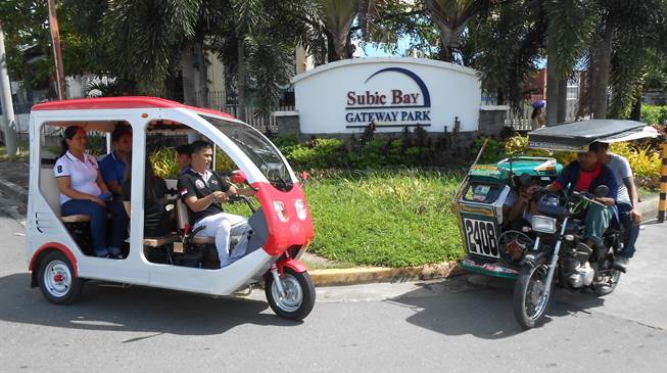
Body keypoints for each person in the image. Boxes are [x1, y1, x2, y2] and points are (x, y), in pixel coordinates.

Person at [177, 141, 255, 268]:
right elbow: (195, 206)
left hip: (219, 218)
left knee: (252, 225)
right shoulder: (185, 178)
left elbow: (234, 192)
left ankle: (236, 260)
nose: (209, 159)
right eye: (206, 155)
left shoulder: (214, 175)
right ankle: (225, 264)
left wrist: (256, 190)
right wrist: (212, 196)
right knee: (222, 224)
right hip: (200, 224)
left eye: (211, 156)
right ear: (195, 156)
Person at [547, 146, 618, 273]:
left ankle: (586, 247)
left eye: (588, 155)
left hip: (597, 206)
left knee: (599, 208)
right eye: (580, 155)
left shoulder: (606, 173)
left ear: (597, 156)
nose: (583, 158)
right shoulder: (573, 166)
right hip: (575, 204)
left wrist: (599, 199)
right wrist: (542, 189)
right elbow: (558, 185)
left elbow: (612, 200)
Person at [53, 126, 120, 258]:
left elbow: (100, 181)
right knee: (96, 209)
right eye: (79, 138)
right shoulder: (63, 163)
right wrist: (92, 198)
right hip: (71, 203)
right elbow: (65, 189)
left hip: (96, 199)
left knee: (120, 208)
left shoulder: (91, 158)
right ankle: (100, 250)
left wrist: (107, 194)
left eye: (84, 137)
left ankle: (115, 246)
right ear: (68, 141)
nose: (83, 141)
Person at [591, 142, 640, 270]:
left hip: (618, 200)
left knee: (631, 218)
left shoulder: (619, 162)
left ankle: (625, 254)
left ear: (601, 150)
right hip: (595, 198)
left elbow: (631, 186)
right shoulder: (589, 163)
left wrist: (635, 208)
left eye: (592, 152)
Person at [97, 123, 132, 252]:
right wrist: (135, 195)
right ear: (115, 143)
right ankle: (115, 247)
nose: (130, 144)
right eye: (125, 142)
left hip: (132, 194)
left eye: (131, 141)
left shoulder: (135, 158)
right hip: (114, 197)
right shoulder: (107, 162)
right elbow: (115, 187)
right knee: (123, 209)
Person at [122, 154, 173, 237]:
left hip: (141, 231)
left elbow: (131, 215)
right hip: (162, 229)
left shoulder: (127, 186)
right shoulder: (160, 181)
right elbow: (165, 202)